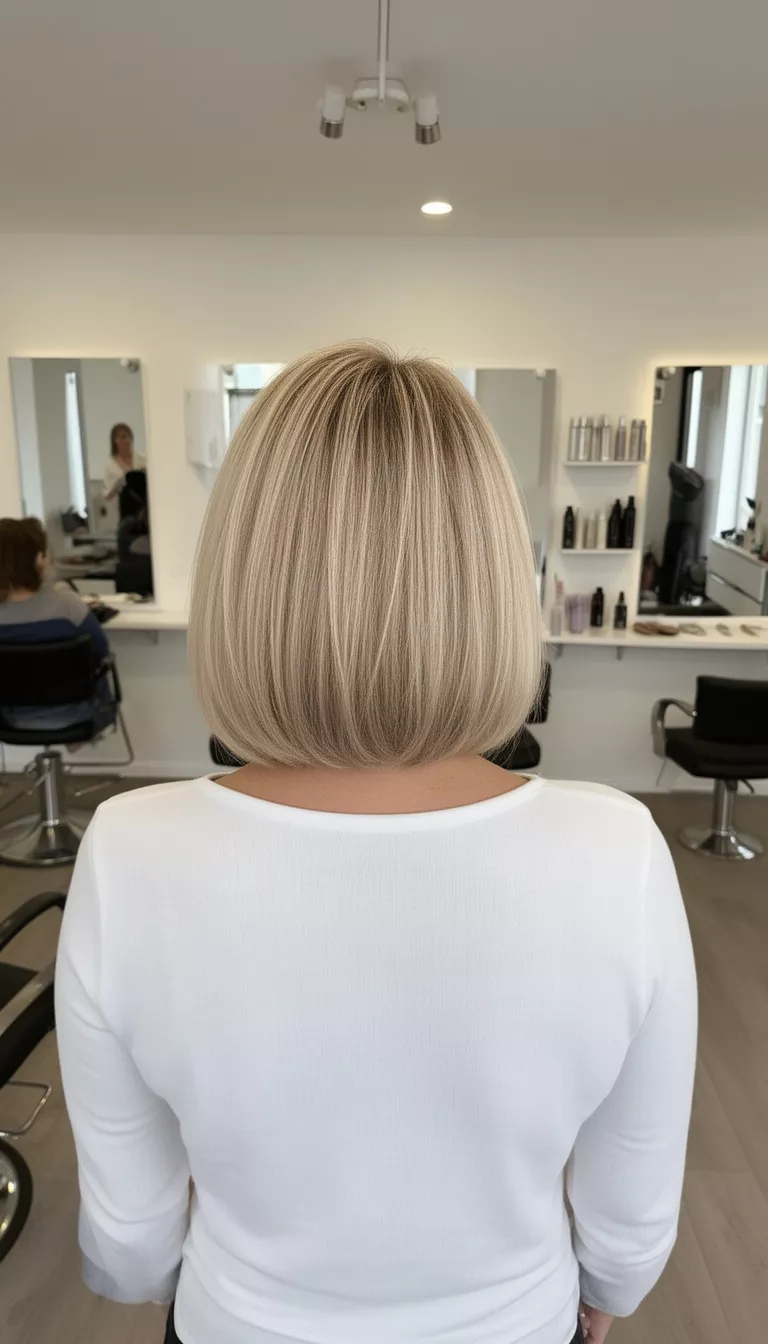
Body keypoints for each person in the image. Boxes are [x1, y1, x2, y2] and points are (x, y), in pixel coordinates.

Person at [56, 343, 697, 1344]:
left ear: (244, 577)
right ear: (488, 580)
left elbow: (133, 1237)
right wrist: (604, 1297)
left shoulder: (132, 852)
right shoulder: (617, 852)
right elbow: (629, 1225)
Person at [0, 516, 115, 731]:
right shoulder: (67, 606)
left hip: (10, 719)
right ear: (38, 558)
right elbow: (101, 651)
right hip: (79, 714)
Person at [102, 422, 146, 502]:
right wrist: (117, 486)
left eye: (130, 437)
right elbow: (106, 495)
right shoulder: (110, 466)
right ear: (115, 440)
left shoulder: (143, 459)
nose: (127, 440)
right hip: (122, 507)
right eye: (123, 437)